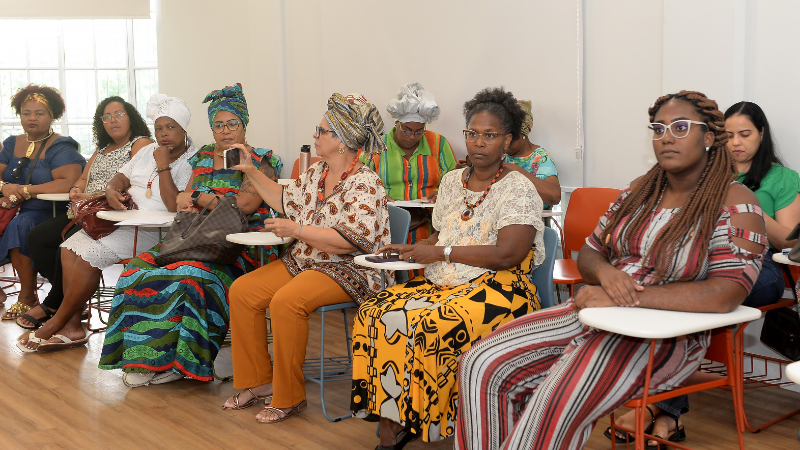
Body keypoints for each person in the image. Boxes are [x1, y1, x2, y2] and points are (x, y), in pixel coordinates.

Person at [454, 91, 767, 450]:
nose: (666, 136)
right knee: (480, 363)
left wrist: (625, 296)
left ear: (709, 137)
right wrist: (607, 276)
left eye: (681, 127)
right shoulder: (638, 191)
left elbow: (727, 292)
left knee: (554, 397)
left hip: (664, 337)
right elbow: (589, 253)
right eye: (658, 127)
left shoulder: (736, 202)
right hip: (597, 314)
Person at [351, 87, 545, 448]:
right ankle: (395, 420)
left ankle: (438, 420)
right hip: (446, 281)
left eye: (490, 135)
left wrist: (440, 252)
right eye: (472, 133)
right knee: (374, 312)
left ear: (507, 140)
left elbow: (509, 255)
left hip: (501, 289)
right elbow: (444, 233)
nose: (479, 143)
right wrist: (414, 248)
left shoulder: (518, 188)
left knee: (432, 325)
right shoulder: (453, 181)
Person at [221, 93, 391, 423]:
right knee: (243, 291)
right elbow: (284, 200)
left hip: (348, 269)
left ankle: (289, 397)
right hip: (306, 261)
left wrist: (297, 229)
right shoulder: (316, 173)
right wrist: (251, 171)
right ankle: (260, 382)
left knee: (286, 301)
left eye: (321, 130)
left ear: (341, 140)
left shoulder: (365, 183)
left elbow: (346, 242)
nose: (315, 135)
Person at [98, 84, 283, 386]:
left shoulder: (262, 159)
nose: (225, 131)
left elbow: (245, 205)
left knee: (192, 276)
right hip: (193, 239)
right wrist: (205, 198)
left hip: (239, 247)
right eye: (218, 125)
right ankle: (146, 359)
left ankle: (181, 363)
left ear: (244, 125)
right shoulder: (204, 158)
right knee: (136, 270)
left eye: (232, 123)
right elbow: (181, 201)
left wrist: (199, 196)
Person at [17, 94, 196, 353]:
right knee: (68, 248)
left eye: (171, 127)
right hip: (121, 220)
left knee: (89, 256)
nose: (164, 134)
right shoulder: (147, 151)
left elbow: (172, 205)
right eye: (159, 128)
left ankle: (55, 322)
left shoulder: (192, 158)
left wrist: (164, 166)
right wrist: (112, 189)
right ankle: (73, 328)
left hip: (154, 230)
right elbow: (120, 177)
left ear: (184, 130)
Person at [19, 96, 152, 329]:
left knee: (66, 243)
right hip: (83, 212)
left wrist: (92, 197)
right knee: (37, 239)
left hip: (110, 214)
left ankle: (55, 304)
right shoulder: (102, 148)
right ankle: (70, 300)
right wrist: (75, 190)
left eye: (119, 114)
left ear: (131, 117)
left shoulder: (141, 144)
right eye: (106, 117)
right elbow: (82, 178)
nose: (113, 121)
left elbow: (135, 184)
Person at [0, 85, 85, 320]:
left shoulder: (61, 145)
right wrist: (4, 187)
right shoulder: (11, 143)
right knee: (17, 220)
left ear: (52, 116)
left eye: (39, 113)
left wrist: (25, 191)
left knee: (22, 223)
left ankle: (27, 296)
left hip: (52, 210)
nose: (32, 118)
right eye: (26, 113)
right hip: (13, 208)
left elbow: (68, 183)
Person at [367, 82, 457, 245]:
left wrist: (443, 195)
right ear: (397, 124)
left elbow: (456, 181)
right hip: (384, 221)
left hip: (429, 223)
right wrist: (376, 195)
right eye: (406, 130)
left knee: (423, 251)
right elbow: (358, 181)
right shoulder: (377, 146)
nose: (412, 136)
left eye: (419, 131)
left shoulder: (438, 144)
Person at [504, 100, 561, 209]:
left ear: (523, 134)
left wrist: (516, 171)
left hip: (529, 221)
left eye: (510, 139)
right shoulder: (501, 156)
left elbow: (554, 196)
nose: (505, 144)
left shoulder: (540, 158)